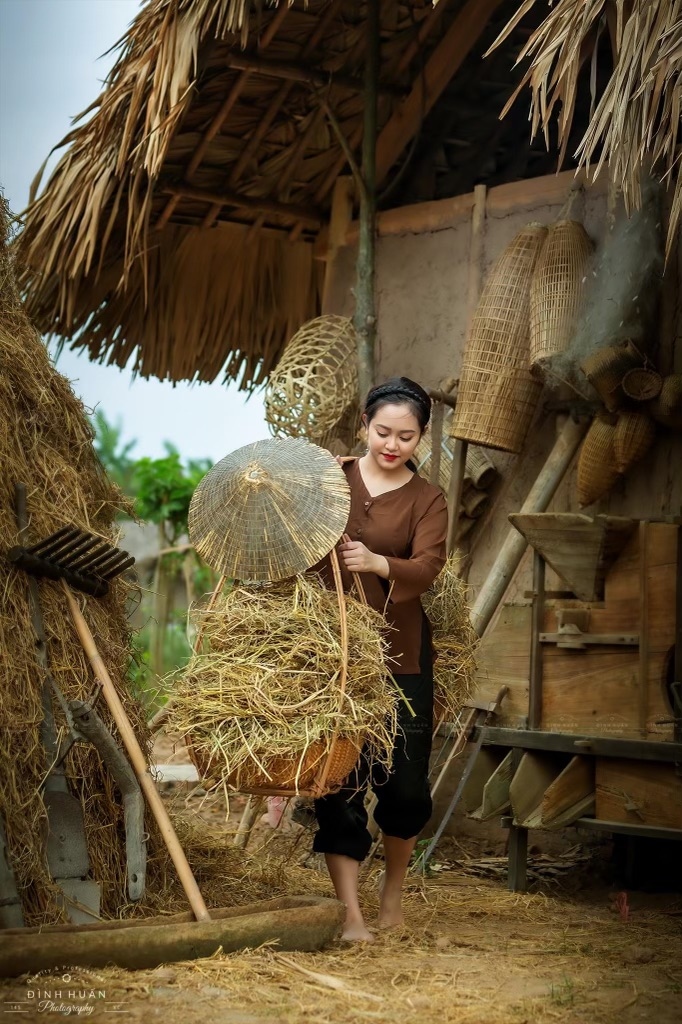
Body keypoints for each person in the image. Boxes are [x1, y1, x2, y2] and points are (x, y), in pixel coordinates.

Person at [313, 376, 448, 941]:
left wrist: (377, 563)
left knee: (406, 786)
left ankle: (392, 895)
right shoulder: (329, 480)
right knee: (337, 782)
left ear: (421, 439)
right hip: (327, 655)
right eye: (382, 431)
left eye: (406, 436)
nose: (392, 445)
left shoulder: (427, 499)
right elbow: (286, 533)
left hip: (400, 656)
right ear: (364, 424)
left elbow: (429, 566)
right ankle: (350, 913)